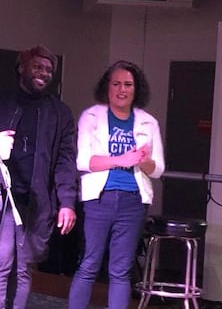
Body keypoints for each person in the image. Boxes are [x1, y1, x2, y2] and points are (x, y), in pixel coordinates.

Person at [0, 45, 78, 309]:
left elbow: (65, 160)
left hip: (37, 204)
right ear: (22, 68)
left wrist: (67, 201)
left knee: (23, 269)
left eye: (48, 69)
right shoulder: (1, 105)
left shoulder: (60, 113)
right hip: (5, 198)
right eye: (37, 66)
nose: (43, 73)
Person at [67, 60, 165, 309]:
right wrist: (121, 159)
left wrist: (142, 161)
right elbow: (82, 161)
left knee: (121, 270)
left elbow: (158, 169)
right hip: (99, 199)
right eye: (117, 83)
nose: (122, 89)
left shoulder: (148, 122)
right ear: (107, 87)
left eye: (128, 84)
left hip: (133, 201)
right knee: (89, 263)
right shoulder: (91, 116)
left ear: (136, 89)